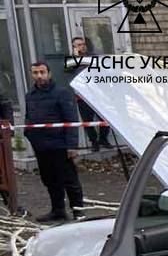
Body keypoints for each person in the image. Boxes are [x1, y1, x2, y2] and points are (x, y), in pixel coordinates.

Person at [25, 61, 84, 223]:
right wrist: (29, 135)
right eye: (35, 72)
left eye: (42, 72)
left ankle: (78, 211)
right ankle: (58, 211)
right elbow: (28, 118)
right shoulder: (30, 96)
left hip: (60, 145)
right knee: (50, 180)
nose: (39, 76)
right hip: (42, 147)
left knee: (69, 180)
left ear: (49, 73)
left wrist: (72, 146)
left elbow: (71, 120)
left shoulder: (62, 93)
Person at [69, 37, 109, 150]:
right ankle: (94, 141)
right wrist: (76, 58)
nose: (82, 46)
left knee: (104, 118)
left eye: (83, 44)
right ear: (74, 48)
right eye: (78, 45)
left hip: (97, 93)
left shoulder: (93, 57)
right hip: (82, 96)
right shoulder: (71, 60)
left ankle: (103, 139)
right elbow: (70, 71)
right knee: (87, 121)